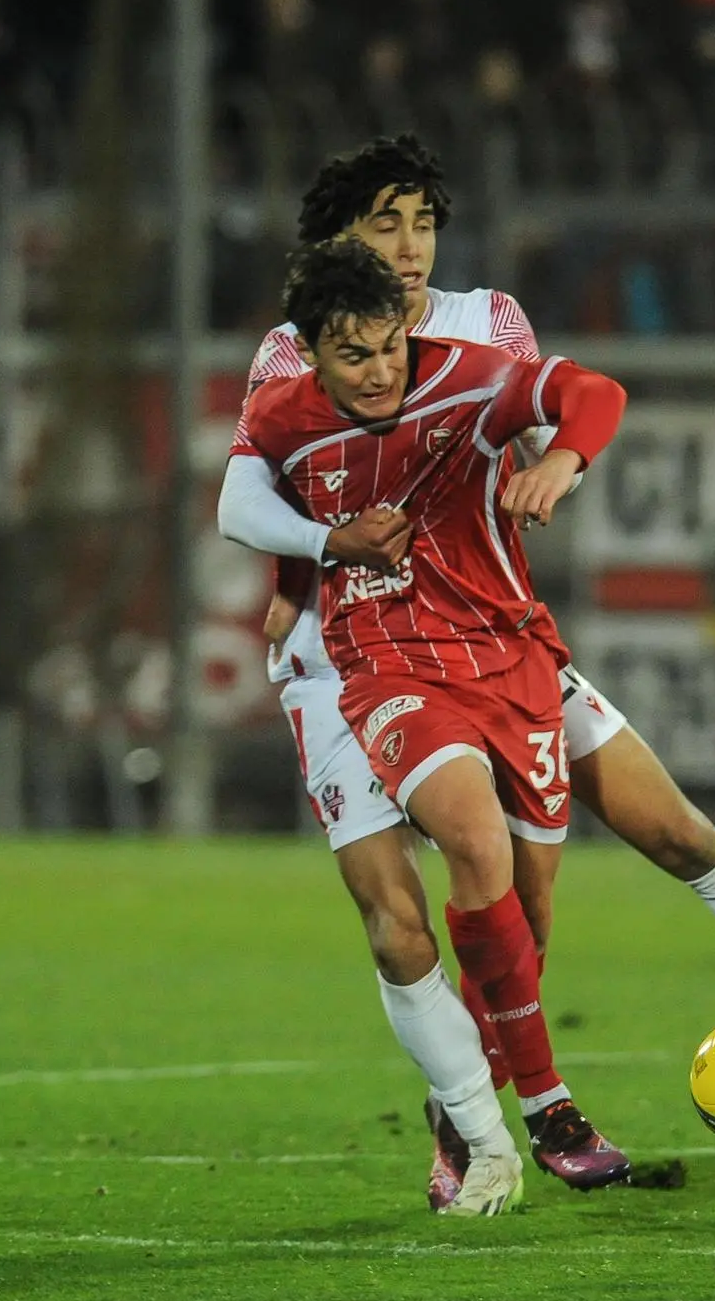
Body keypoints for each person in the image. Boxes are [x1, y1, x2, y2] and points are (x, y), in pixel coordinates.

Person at [222, 133, 715, 1206]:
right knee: (401, 910)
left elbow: (528, 421)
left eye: (423, 223)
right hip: (347, 653)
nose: (410, 247)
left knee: (630, 852)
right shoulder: (294, 355)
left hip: (493, 635)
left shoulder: (485, 327)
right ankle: (485, 1125)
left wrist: (550, 463)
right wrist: (310, 563)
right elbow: (268, 488)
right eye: (386, 224)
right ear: (339, 246)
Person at [232, 237, 634, 1214]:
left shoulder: (472, 379)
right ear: (310, 356)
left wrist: (566, 462)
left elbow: (595, 394)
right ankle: (546, 1108)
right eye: (352, 356)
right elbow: (238, 504)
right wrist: (330, 542)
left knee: (524, 915)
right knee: (471, 838)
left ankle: (467, 1114)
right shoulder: (282, 412)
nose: (377, 373)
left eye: (387, 350)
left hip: (508, 659)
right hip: (388, 669)